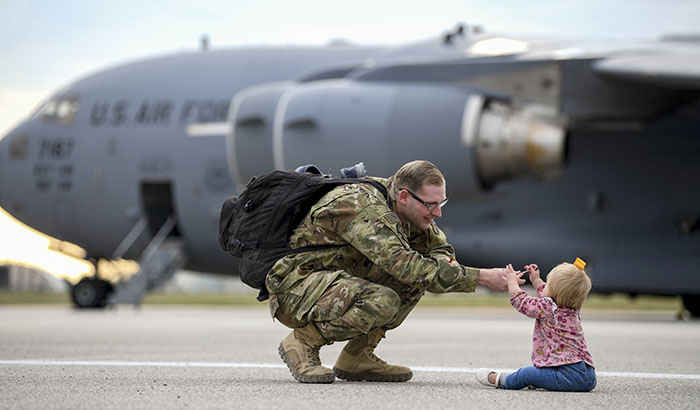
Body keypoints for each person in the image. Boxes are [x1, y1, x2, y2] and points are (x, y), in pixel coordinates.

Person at [266, 160, 519, 383]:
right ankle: (302, 342)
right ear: (405, 197)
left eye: (441, 203)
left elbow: (439, 249)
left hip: (330, 281)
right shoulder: (365, 208)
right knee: (386, 297)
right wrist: (482, 277)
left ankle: (357, 357)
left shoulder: (407, 209)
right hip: (296, 285)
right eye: (431, 204)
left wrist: (445, 262)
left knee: (415, 279)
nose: (438, 212)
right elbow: (407, 266)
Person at [476, 260, 596, 392]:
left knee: (527, 374)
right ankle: (543, 380)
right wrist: (536, 280)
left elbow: (522, 302)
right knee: (540, 372)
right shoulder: (571, 308)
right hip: (588, 376)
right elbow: (551, 294)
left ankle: (502, 380)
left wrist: (512, 282)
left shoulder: (550, 307)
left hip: (568, 375)